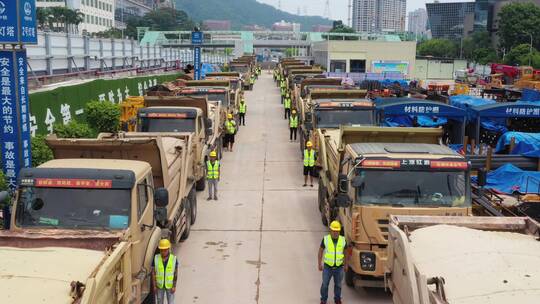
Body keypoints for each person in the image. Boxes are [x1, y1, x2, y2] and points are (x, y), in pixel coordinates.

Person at [318, 221, 348, 304]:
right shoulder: (326, 239)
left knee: (338, 285)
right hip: (327, 267)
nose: (335, 233)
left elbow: (346, 253)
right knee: (325, 284)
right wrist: (319, 264)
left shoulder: (343, 240)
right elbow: (320, 251)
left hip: (339, 267)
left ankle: (337, 299)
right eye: (334, 231)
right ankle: (323, 300)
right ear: (330, 230)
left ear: (339, 231)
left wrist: (346, 265)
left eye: (337, 231)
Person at [152, 239, 178, 304]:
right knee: (159, 302)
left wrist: (174, 286)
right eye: (161, 250)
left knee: (171, 302)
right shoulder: (156, 258)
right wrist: (154, 285)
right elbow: (153, 272)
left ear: (168, 249)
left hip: (170, 286)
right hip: (159, 286)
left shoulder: (173, 259)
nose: (163, 252)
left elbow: (175, 273)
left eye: (165, 250)